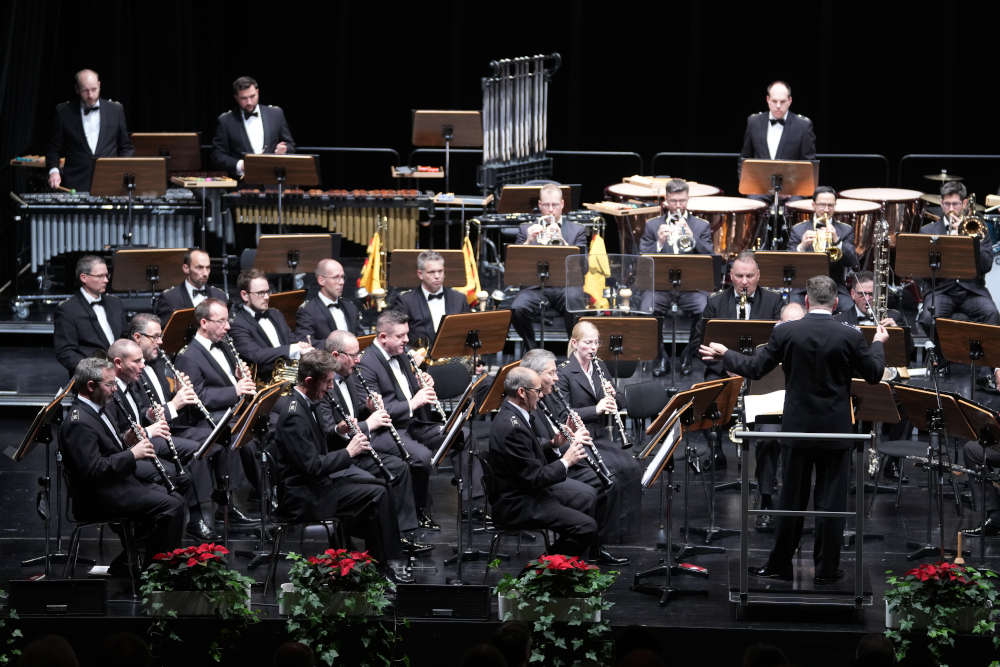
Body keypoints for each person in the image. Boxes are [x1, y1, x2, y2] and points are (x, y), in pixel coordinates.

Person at [700, 275, 887, 583]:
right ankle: (827, 569)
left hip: (797, 428)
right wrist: (878, 344)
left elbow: (755, 368)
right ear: (837, 303)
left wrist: (725, 354)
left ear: (807, 302)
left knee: (791, 500)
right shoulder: (851, 335)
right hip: (836, 430)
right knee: (831, 504)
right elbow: (874, 374)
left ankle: (780, 565)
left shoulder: (787, 331)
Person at [269, 350, 404, 575]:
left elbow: (317, 445)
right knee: (377, 495)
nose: (331, 387)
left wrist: (339, 432)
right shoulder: (293, 414)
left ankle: (375, 563)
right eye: (328, 382)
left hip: (314, 484)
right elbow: (312, 466)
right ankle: (387, 564)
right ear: (310, 381)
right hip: (302, 496)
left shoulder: (306, 402)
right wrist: (349, 452)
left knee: (379, 488)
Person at [60, 357, 185, 567]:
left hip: (115, 484)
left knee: (173, 493)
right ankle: (157, 572)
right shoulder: (78, 423)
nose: (115, 389)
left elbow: (108, 446)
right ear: (91, 386)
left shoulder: (101, 407)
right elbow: (92, 470)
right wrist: (132, 454)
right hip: (97, 497)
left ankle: (135, 560)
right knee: (172, 506)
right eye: (109, 385)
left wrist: (127, 441)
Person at [316, 330, 432, 555]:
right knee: (381, 482)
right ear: (336, 355)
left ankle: (402, 534)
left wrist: (367, 406)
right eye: (353, 354)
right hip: (339, 456)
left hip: (358, 448)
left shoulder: (349, 376)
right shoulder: (325, 385)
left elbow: (352, 413)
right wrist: (369, 423)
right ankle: (380, 543)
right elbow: (329, 431)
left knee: (399, 468)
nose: (359, 359)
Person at [688, 250, 783, 500]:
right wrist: (726, 365)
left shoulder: (773, 301)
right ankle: (715, 449)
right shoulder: (716, 302)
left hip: (762, 373)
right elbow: (698, 342)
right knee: (708, 389)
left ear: (758, 276)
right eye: (739, 276)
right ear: (730, 276)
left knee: (772, 412)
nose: (744, 282)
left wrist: (748, 366)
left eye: (749, 276)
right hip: (724, 371)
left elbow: (779, 346)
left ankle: (767, 474)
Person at [522, 348, 628, 564]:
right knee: (598, 485)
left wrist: (571, 435)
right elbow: (533, 443)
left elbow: (558, 425)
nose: (556, 378)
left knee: (611, 479)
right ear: (535, 374)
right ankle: (581, 546)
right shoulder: (529, 400)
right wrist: (559, 446)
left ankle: (594, 545)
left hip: (558, 456)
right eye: (551, 373)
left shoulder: (547, 395)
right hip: (548, 467)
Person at [128, 313, 223, 540]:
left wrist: (178, 388)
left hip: (173, 426)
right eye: (155, 337)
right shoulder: (132, 369)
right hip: (148, 434)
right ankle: (197, 516)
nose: (161, 342)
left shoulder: (160, 361)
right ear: (137, 337)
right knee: (196, 451)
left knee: (217, 437)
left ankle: (221, 503)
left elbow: (165, 397)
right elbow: (144, 415)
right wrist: (175, 403)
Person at [486, 366, 597, 557]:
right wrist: (566, 460)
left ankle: (570, 568)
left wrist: (553, 444)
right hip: (517, 502)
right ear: (522, 392)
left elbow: (527, 455)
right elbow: (534, 477)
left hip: (524, 490)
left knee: (586, 497)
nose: (541, 396)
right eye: (537, 391)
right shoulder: (512, 427)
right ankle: (538, 574)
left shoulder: (513, 415)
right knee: (586, 527)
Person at [173, 298, 259, 527]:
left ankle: (258, 495)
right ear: (204, 322)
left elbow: (226, 380)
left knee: (259, 426)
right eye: (221, 321)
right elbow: (198, 397)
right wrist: (235, 389)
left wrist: (239, 378)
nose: (227, 326)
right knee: (234, 435)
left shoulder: (224, 344)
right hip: (201, 420)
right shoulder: (188, 356)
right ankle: (226, 504)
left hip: (227, 413)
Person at [555, 321, 642, 540]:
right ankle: (603, 534)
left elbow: (618, 401)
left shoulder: (600, 366)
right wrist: (596, 408)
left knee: (632, 467)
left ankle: (625, 529)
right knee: (611, 473)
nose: (593, 347)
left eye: (596, 342)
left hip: (601, 436)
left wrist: (613, 397)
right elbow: (562, 415)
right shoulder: (564, 372)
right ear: (575, 343)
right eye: (588, 342)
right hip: (578, 438)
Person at [356, 309, 442, 530]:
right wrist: (413, 403)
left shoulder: (402, 355)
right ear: (383, 337)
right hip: (385, 430)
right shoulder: (367, 364)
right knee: (422, 457)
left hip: (413, 423)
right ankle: (418, 512)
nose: (407, 340)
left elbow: (409, 389)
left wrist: (423, 383)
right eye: (401, 336)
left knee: (459, 436)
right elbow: (378, 410)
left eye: (407, 334)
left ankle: (476, 506)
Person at [637, 178, 714, 376]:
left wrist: (693, 238)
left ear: (688, 199)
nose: (678, 206)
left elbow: (711, 256)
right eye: (673, 201)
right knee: (648, 307)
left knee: (705, 308)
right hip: (661, 287)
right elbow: (642, 260)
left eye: (682, 201)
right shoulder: (653, 226)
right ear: (666, 200)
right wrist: (659, 244)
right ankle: (660, 356)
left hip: (691, 288)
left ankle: (689, 353)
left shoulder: (700, 226)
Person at [510, 183, 588, 350]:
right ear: (540, 205)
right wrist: (528, 241)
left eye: (554, 205)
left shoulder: (577, 231)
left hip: (565, 286)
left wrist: (563, 241)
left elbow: (584, 267)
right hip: (535, 287)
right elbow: (515, 266)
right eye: (546, 205)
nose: (550, 210)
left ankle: (573, 351)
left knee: (574, 302)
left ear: (562, 204)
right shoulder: (525, 229)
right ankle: (532, 349)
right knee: (517, 308)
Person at [917, 181, 999, 336]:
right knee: (927, 319)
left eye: (955, 204)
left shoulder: (976, 227)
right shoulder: (927, 230)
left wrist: (966, 239)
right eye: (947, 204)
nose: (951, 209)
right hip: (942, 291)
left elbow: (986, 265)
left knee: (992, 314)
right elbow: (920, 269)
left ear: (965, 203)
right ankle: (943, 358)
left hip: (971, 290)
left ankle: (980, 359)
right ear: (941, 204)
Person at [46, 69, 134, 192]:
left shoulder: (116, 110)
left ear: (99, 85)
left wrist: (121, 171)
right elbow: (53, 149)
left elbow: (126, 147)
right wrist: (54, 171)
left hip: (110, 181)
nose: (91, 95)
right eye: (85, 91)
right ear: (77, 89)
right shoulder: (64, 112)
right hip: (75, 184)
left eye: (94, 89)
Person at [230, 269, 313, 379]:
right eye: (260, 293)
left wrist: (303, 348)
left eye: (268, 291)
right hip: (265, 382)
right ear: (245, 295)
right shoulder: (238, 323)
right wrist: (293, 348)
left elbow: (292, 340)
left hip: (290, 375)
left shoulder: (275, 314)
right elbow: (256, 355)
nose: (267, 297)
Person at [54, 255, 128, 375]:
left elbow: (125, 337)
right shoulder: (68, 309)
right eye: (100, 276)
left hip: (121, 373)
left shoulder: (115, 303)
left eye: (107, 275)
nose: (106, 280)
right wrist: (93, 372)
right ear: (84, 277)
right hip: (91, 378)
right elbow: (65, 352)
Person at [788, 186, 858, 312]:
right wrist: (802, 246)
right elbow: (788, 264)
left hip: (834, 287)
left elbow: (853, 262)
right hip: (804, 287)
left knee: (849, 309)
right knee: (793, 311)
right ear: (813, 205)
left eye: (830, 205)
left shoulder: (845, 230)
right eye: (822, 205)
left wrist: (837, 240)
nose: (826, 209)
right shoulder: (798, 230)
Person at [211, 75, 295, 180]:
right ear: (236, 98)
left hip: (273, 183)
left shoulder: (276, 114)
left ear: (258, 92)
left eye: (252, 96)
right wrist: (240, 165)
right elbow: (217, 155)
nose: (249, 102)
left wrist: (285, 149)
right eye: (244, 98)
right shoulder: (226, 121)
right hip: (242, 185)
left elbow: (290, 144)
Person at [394, 250, 470, 349]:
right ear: (420, 274)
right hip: (419, 362)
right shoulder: (406, 301)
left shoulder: (459, 299)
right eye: (431, 272)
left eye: (440, 271)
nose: (437, 276)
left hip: (454, 359)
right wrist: (411, 355)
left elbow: (468, 333)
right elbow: (397, 337)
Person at [739, 80, 816, 171]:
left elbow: (809, 165)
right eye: (774, 101)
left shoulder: (803, 126)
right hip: (758, 184)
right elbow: (744, 159)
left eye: (782, 101)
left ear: (790, 101)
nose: (778, 106)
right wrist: (745, 184)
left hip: (792, 184)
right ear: (768, 99)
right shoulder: (754, 122)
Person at [295, 258, 363, 342]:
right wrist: (338, 346)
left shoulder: (350, 307)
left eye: (342, 277)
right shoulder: (308, 311)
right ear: (321, 280)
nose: (341, 282)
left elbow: (361, 338)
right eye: (336, 277)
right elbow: (305, 343)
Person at [155, 249, 228, 322]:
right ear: (186, 268)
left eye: (208, 268)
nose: (205, 273)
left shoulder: (220, 296)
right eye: (199, 267)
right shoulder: (170, 298)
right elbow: (165, 331)